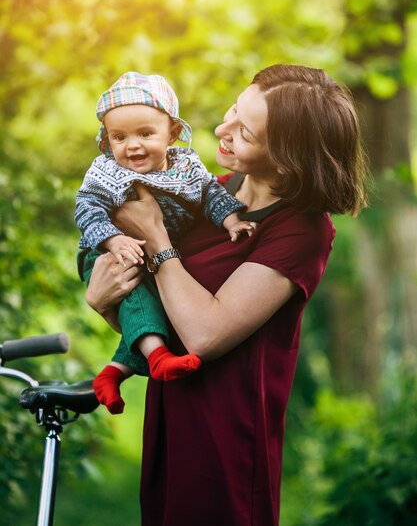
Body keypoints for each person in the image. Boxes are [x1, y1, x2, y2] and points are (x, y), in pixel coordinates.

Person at [83, 64, 368, 526]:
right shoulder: (206, 193)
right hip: (170, 411)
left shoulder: (300, 230)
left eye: (246, 132)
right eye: (234, 109)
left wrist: (155, 235)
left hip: (226, 435)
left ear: (289, 157)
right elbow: (166, 315)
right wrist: (104, 302)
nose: (221, 129)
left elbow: (205, 334)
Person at [75, 71, 254, 414]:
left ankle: (114, 372)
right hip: (107, 251)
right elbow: (87, 208)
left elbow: (209, 194)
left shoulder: (187, 166)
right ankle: (158, 357)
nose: (133, 146)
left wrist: (231, 219)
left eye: (145, 133)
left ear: (172, 133)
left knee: (164, 303)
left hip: (150, 253)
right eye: (119, 137)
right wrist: (112, 240)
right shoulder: (107, 171)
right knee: (135, 293)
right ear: (107, 141)